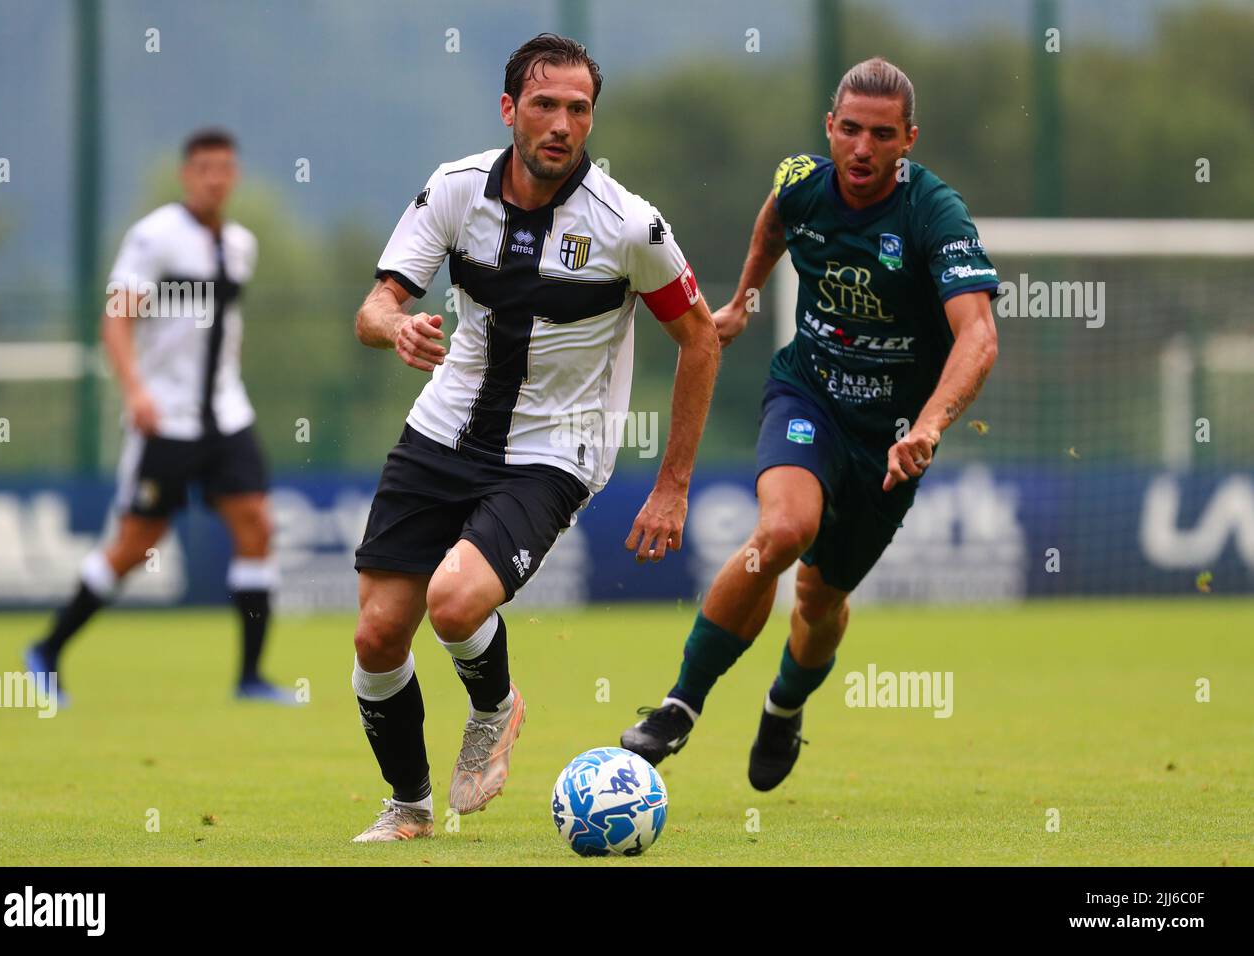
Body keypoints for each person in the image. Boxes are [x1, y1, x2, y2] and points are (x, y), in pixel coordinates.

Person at [348, 33, 720, 842]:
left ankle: (495, 705)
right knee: (378, 634)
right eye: (545, 104)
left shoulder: (629, 225)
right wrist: (396, 329)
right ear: (510, 108)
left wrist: (673, 484)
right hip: (443, 429)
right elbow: (376, 304)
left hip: (556, 449)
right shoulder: (455, 190)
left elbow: (699, 337)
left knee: (452, 601)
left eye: (578, 108)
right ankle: (408, 806)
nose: (561, 123)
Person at [622, 57, 1000, 791]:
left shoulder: (935, 214)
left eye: (881, 135)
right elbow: (774, 220)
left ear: (908, 141)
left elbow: (978, 336)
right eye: (850, 130)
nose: (862, 149)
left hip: (890, 436)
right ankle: (680, 705)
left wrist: (926, 427)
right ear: (830, 128)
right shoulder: (801, 181)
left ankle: (784, 705)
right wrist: (744, 297)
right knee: (784, 531)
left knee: (821, 599)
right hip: (810, 395)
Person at [26, 129, 288, 706]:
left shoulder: (240, 245)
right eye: (204, 168)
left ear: (234, 175)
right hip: (165, 418)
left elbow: (226, 329)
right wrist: (135, 391)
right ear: (186, 174)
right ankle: (47, 649)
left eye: (225, 167)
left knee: (258, 527)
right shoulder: (155, 237)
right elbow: (115, 320)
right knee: (135, 543)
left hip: (226, 414)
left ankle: (250, 676)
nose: (215, 178)